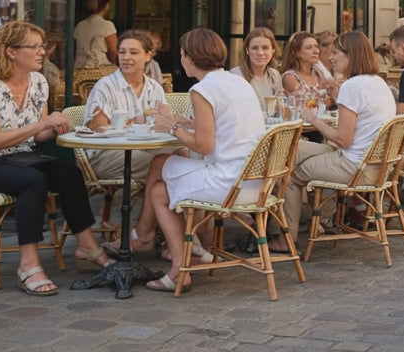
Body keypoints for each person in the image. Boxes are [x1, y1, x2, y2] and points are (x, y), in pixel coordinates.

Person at [0, 21, 111, 294]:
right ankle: (28, 265)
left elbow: (36, 137)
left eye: (42, 46)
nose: (43, 52)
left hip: (19, 157)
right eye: (35, 47)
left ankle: (87, 245)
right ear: (11, 51)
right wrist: (39, 126)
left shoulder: (38, 82)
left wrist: (55, 127)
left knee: (69, 172)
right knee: (33, 180)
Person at [142, 28, 266, 292]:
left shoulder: (202, 89)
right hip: (256, 184)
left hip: (228, 183)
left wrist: (172, 128)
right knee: (161, 180)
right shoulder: (237, 81)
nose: (181, 59)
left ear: (189, 57)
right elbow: (225, 125)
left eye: (181, 54)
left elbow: (204, 145)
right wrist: (186, 122)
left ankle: (172, 261)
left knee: (158, 182)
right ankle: (181, 253)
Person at [271, 31, 397, 252]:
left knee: (290, 175)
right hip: (375, 165)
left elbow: (343, 139)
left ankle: (286, 238)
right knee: (291, 149)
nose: (331, 57)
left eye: (337, 52)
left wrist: (313, 120)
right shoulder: (377, 82)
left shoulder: (353, 86)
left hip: (354, 165)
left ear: (351, 55)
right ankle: (310, 222)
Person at [83, 29, 170, 249]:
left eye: (134, 52)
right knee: (168, 165)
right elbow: (98, 126)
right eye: (122, 52)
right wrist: (136, 120)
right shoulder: (106, 86)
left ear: (148, 55)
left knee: (174, 163)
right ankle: (147, 233)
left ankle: (146, 232)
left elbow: (162, 124)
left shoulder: (155, 88)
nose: (126, 57)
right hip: (105, 156)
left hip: (142, 154)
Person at [229, 27, 283, 105]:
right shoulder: (236, 75)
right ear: (247, 50)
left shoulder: (275, 75)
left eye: (265, 48)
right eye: (255, 48)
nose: (260, 53)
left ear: (273, 51)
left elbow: (279, 108)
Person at [281, 31, 337, 100]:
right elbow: (302, 102)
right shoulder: (290, 77)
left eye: (316, 47)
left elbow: (328, 100)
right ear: (296, 53)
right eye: (309, 48)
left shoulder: (317, 73)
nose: (316, 51)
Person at [73, 0, 117, 69]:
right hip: (99, 68)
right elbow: (113, 52)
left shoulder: (80, 25)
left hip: (79, 68)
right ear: (106, 6)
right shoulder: (107, 25)